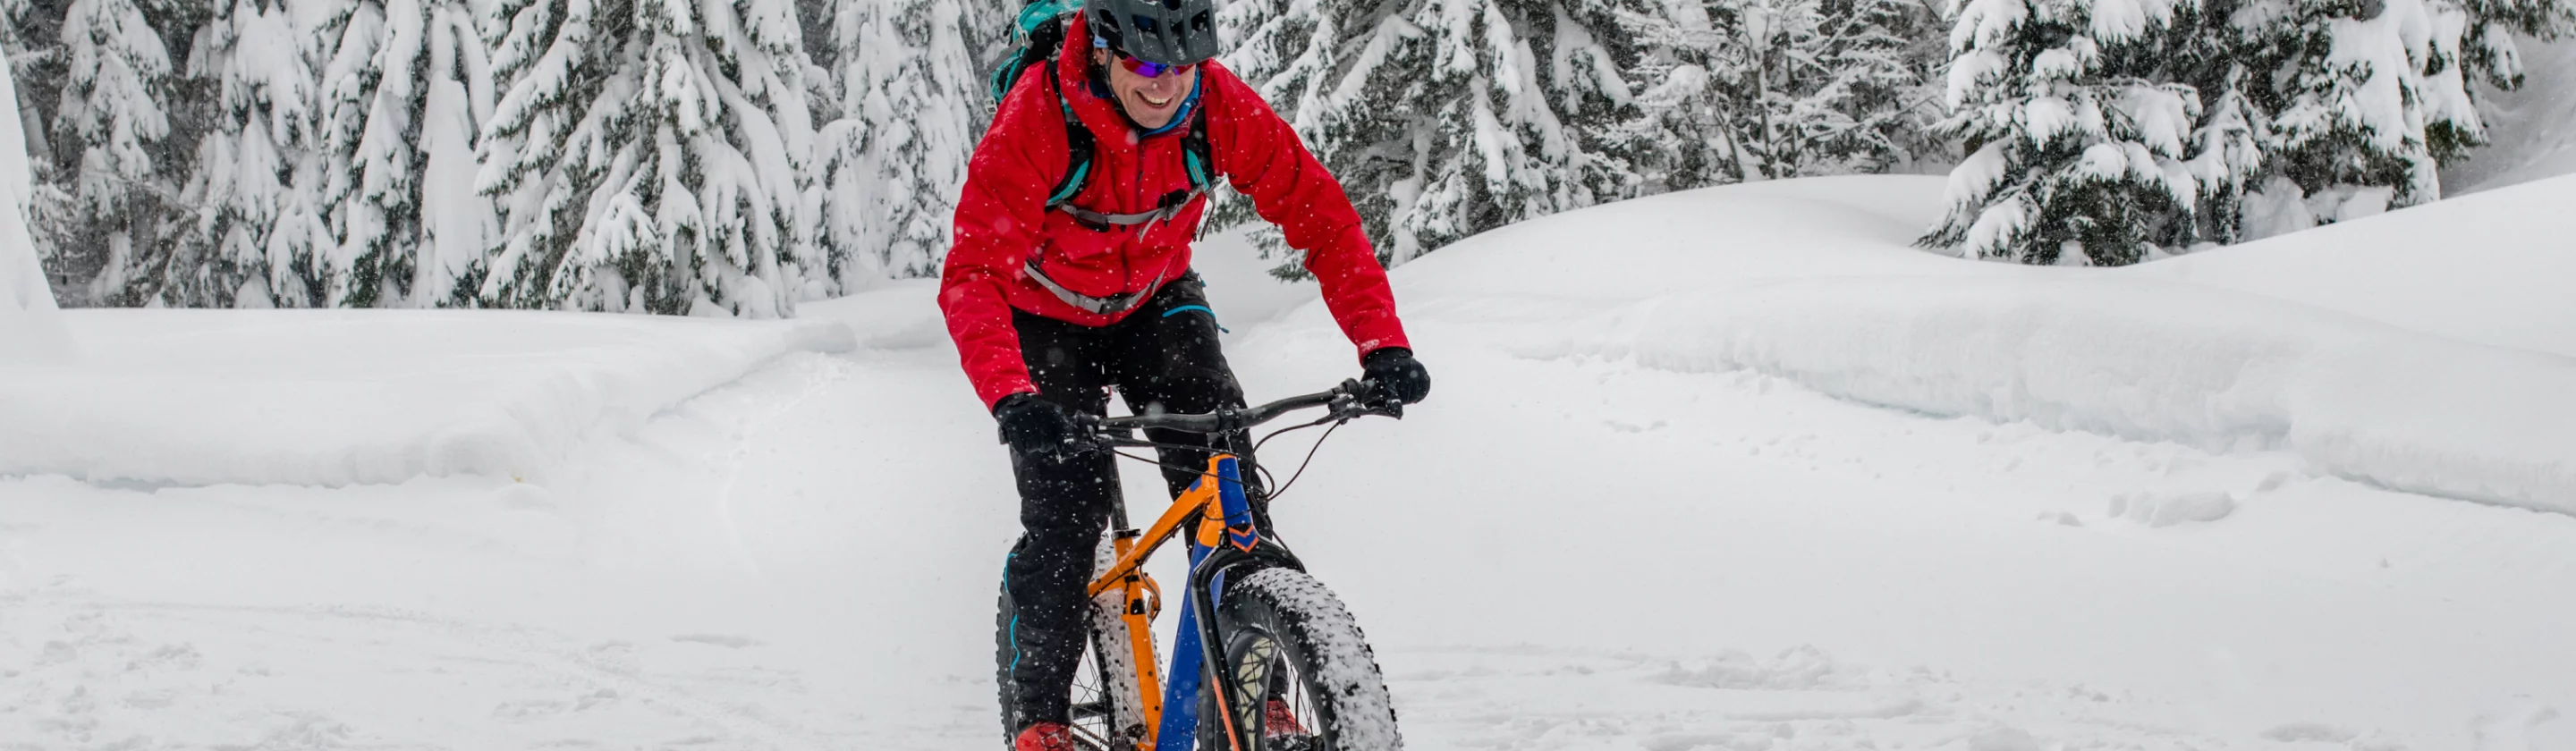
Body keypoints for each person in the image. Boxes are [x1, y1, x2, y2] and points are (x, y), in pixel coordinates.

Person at [937, 0, 1432, 747]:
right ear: (1102, 50)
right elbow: (973, 271)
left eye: (1179, 64)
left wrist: (1382, 345)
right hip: (1042, 316)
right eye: (1142, 64)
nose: (1164, 85)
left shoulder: (1215, 105)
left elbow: (1321, 215)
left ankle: (1253, 679)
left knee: (1226, 486)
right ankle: (1041, 717)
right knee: (1066, 523)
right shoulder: (1040, 115)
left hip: (1153, 301)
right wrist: (1013, 394)